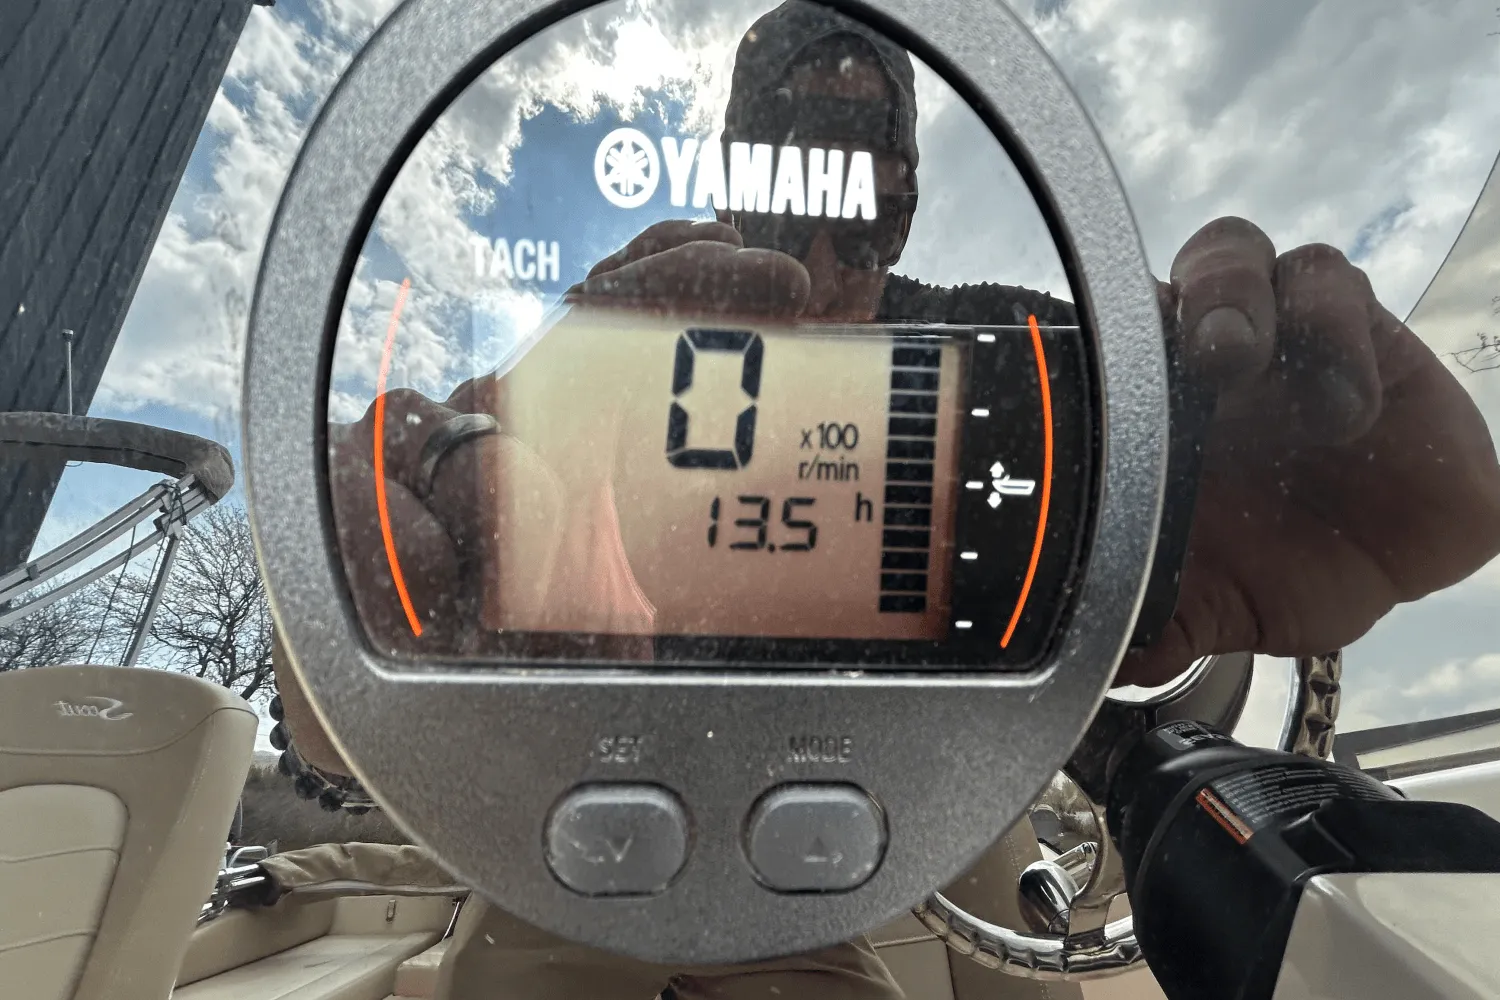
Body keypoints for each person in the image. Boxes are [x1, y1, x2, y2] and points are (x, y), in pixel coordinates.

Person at [271, 2, 1500, 998]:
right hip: (603, 802)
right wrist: (346, 623)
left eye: (866, 188)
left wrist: (1293, 498)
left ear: (905, 201)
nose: (821, 248)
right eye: (793, 163)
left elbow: (1164, 519)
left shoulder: (1023, 357)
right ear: (736, 175)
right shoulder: (620, 320)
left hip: (939, 781)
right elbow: (337, 687)